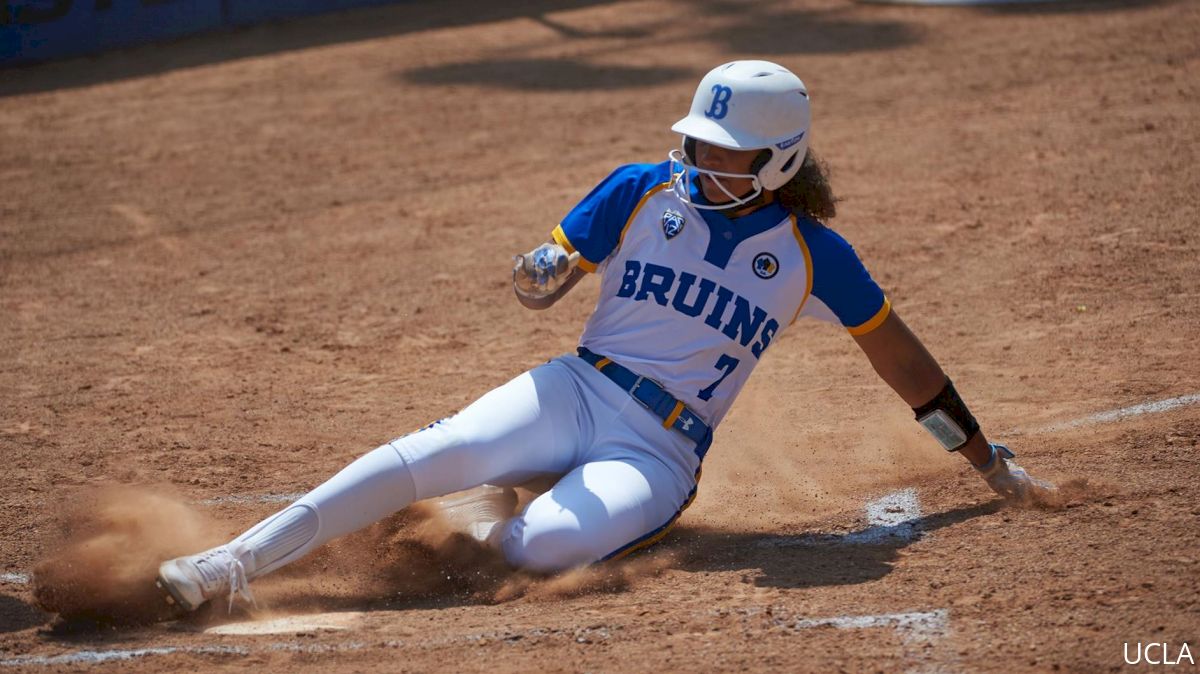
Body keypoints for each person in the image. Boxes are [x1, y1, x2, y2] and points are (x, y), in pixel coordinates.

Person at [156, 60, 1055, 613]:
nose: (701, 157)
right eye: (697, 140)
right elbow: (543, 277)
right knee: (420, 454)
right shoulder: (641, 189)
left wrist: (982, 459)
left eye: (723, 148)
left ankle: (498, 506)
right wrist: (537, 271)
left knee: (534, 551)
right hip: (575, 386)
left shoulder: (814, 256)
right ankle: (234, 563)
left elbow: (901, 361)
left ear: (778, 161)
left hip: (659, 451)